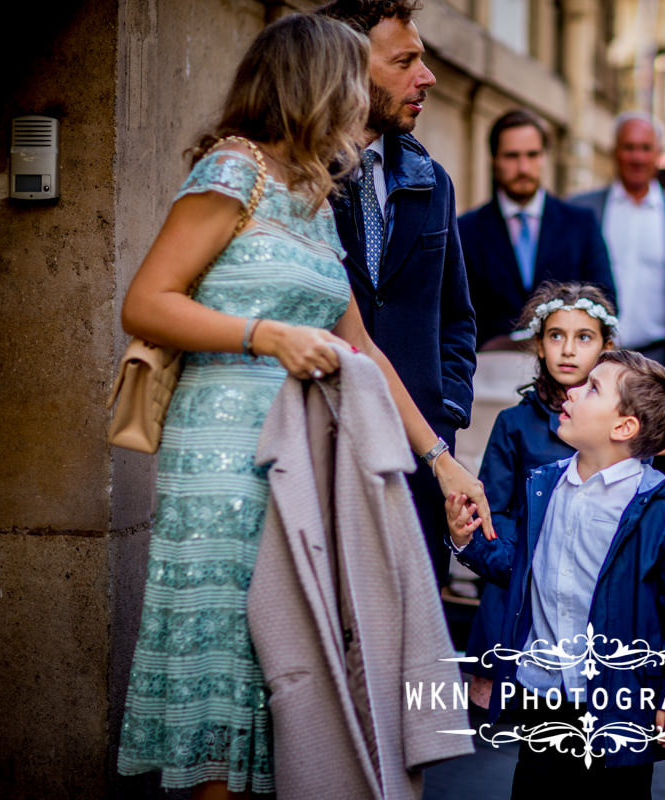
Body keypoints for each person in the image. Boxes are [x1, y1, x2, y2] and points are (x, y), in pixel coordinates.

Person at [114, 15, 491, 799]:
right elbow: (147, 302)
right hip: (222, 463)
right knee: (231, 668)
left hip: (302, 464)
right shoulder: (232, 170)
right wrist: (267, 337)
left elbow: (368, 353)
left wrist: (442, 461)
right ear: (315, 83)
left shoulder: (315, 195)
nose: (367, 96)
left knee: (289, 665)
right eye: (356, 78)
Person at [446, 350, 665, 800]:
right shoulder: (544, 486)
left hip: (621, 704)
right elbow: (517, 568)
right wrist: (467, 541)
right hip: (544, 699)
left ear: (623, 428)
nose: (572, 391)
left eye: (592, 389)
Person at [318, 0, 478, 586]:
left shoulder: (431, 181)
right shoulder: (300, 179)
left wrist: (448, 410)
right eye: (405, 61)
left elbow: (456, 316)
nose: (427, 77)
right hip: (325, 443)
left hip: (420, 454)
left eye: (425, 59)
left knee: (413, 631)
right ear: (348, 69)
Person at [462, 282, 618, 707]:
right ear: (539, 344)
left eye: (583, 338)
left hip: (593, 581)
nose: (568, 350)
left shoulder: (620, 423)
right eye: (556, 336)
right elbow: (493, 509)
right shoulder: (515, 423)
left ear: (606, 346)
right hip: (520, 576)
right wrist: (517, 564)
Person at [459, 109, 616, 350]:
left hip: (567, 371)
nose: (523, 167)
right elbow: (455, 312)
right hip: (487, 372)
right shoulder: (465, 230)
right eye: (512, 156)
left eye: (532, 155)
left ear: (544, 157)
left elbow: (606, 300)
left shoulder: (580, 224)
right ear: (494, 159)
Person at [570, 111, 665, 389]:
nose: (637, 157)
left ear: (658, 154)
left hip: (659, 357)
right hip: (593, 355)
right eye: (629, 147)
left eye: (645, 148)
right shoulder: (582, 209)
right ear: (614, 151)